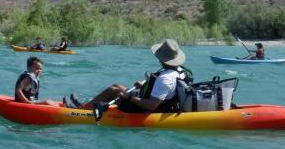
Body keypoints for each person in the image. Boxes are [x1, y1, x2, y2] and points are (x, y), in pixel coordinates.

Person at [64, 39, 193, 113]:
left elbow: (151, 105)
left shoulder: (165, 78)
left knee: (114, 90)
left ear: (162, 59)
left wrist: (129, 97)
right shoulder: (180, 71)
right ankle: (86, 105)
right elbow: (166, 91)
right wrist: (145, 86)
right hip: (159, 102)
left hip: (148, 110)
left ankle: (81, 111)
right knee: (117, 86)